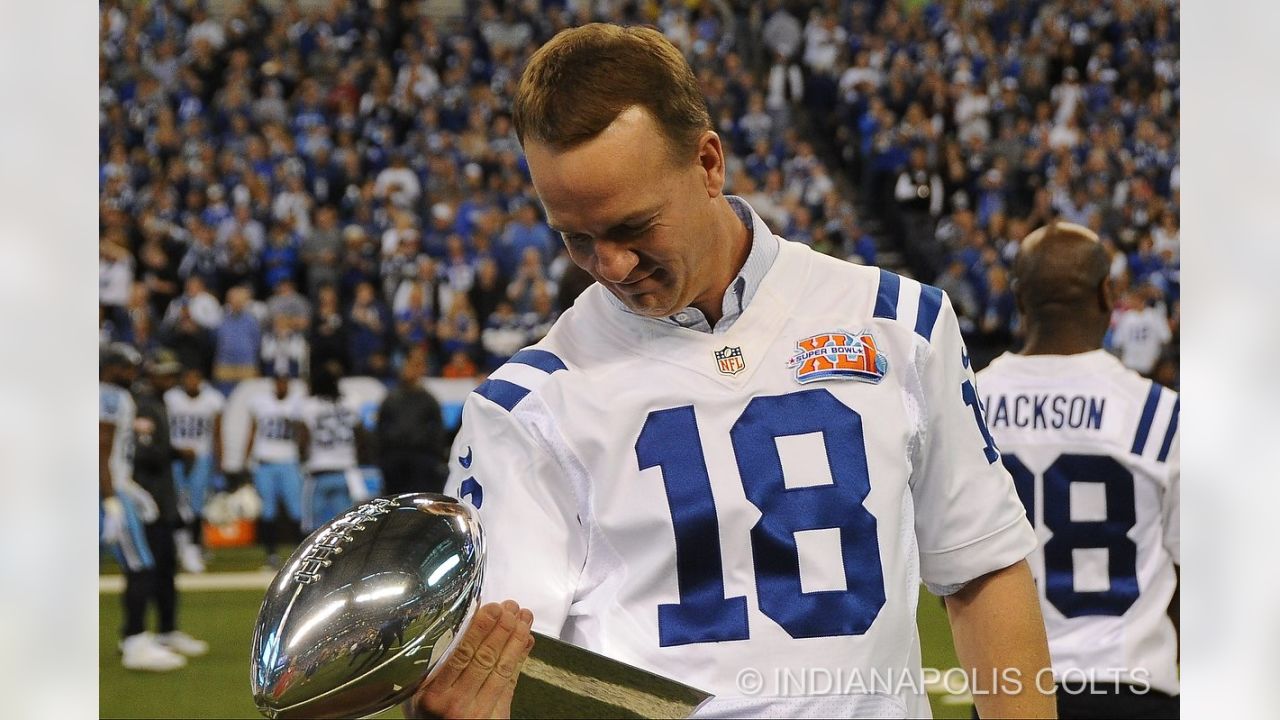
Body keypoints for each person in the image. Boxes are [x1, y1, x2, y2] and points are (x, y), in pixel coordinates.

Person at [410, 24, 1053, 719]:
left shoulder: (899, 324)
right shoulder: (526, 408)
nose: (612, 265)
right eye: (576, 237)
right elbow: (495, 673)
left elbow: (982, 569)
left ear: (708, 163)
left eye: (634, 226)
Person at [975, 223, 1180, 718]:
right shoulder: (1161, 413)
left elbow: (952, 570)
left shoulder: (968, 403)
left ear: (1019, 301)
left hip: (1011, 686)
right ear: (1107, 294)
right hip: (1132, 683)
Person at [100, 343, 185, 672]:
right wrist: (112, 498)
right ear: (112, 367)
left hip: (110, 488)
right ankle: (135, 642)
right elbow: (102, 449)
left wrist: (130, 490)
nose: (132, 374)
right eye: (127, 367)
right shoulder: (110, 397)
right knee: (140, 566)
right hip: (105, 493)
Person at [131, 348, 209, 658]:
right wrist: (177, 453)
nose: (171, 378)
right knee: (147, 571)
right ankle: (137, 635)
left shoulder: (157, 403)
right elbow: (143, 453)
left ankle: (166, 630)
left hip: (162, 499)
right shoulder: (145, 406)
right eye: (165, 372)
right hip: (148, 500)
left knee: (165, 570)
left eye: (172, 373)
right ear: (152, 373)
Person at [164, 365, 226, 573]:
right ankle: (180, 548)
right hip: (176, 458)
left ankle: (194, 548)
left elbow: (217, 434)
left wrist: (219, 466)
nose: (191, 381)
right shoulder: (171, 398)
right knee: (178, 504)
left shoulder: (212, 399)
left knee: (197, 507)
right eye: (188, 377)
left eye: (195, 377)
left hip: (201, 458)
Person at [294, 361, 366, 532]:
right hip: (345, 472)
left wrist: (302, 459)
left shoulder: (309, 406)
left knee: (312, 530)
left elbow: (303, 441)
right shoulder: (351, 402)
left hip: (319, 472)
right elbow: (361, 435)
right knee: (344, 528)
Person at [245, 371, 304, 568]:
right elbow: (252, 431)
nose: (281, 386)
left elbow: (303, 432)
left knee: (295, 509)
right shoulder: (260, 402)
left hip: (289, 461)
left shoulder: (297, 404)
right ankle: (271, 554)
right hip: (265, 462)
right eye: (278, 382)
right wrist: (247, 459)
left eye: (284, 382)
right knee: (267, 510)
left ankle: (301, 552)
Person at [375, 347, 447, 495]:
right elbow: (381, 428)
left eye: (417, 366)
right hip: (395, 460)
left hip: (422, 461)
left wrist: (433, 456)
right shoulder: (391, 399)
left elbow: (438, 431)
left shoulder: (429, 400)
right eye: (410, 365)